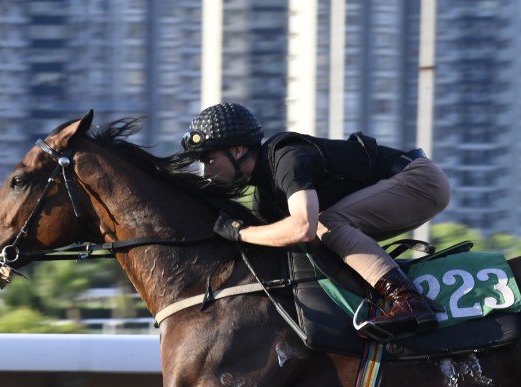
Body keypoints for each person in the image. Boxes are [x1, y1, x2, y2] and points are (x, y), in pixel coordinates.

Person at [180, 101, 451, 339]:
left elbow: (304, 227)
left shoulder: (284, 156)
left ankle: (409, 300)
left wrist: (241, 232)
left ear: (237, 150)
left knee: (326, 224)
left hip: (421, 181)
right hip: (402, 190)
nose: (206, 172)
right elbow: (277, 244)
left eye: (209, 159)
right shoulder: (264, 197)